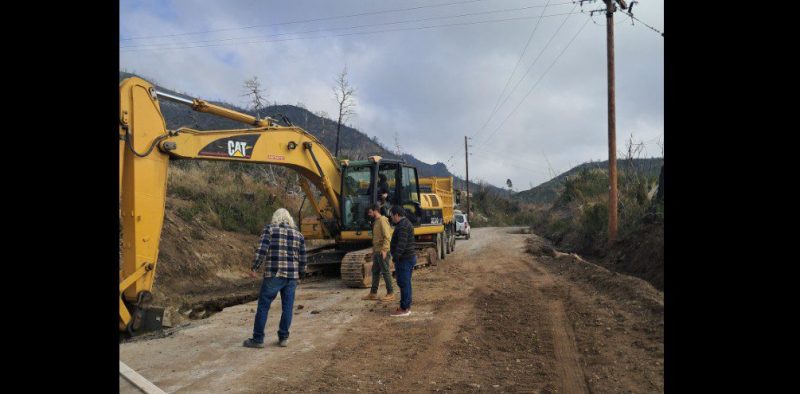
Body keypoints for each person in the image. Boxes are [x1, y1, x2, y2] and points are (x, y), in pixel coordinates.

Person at [243, 208, 307, 349]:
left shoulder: (270, 230)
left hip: (274, 274)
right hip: (291, 277)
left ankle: (258, 339)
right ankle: (283, 338)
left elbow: (262, 250)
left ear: (275, 218)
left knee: (264, 306)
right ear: (289, 219)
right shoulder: (298, 235)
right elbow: (303, 258)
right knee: (287, 307)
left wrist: (254, 268)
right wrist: (301, 275)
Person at [361, 204, 396, 302]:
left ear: (375, 210)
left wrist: (384, 250)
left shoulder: (382, 220)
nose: (369, 214)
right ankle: (373, 293)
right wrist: (374, 250)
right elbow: (376, 237)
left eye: (370, 212)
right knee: (375, 271)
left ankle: (391, 293)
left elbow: (387, 236)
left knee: (385, 271)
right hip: (377, 251)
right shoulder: (376, 221)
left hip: (382, 251)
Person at [389, 205, 416, 317]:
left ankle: (404, 308)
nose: (391, 218)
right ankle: (406, 305)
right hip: (407, 258)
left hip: (404, 259)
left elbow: (402, 244)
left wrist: (395, 257)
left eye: (392, 216)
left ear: (396, 215)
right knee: (406, 283)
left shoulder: (403, 226)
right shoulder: (405, 223)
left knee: (403, 283)